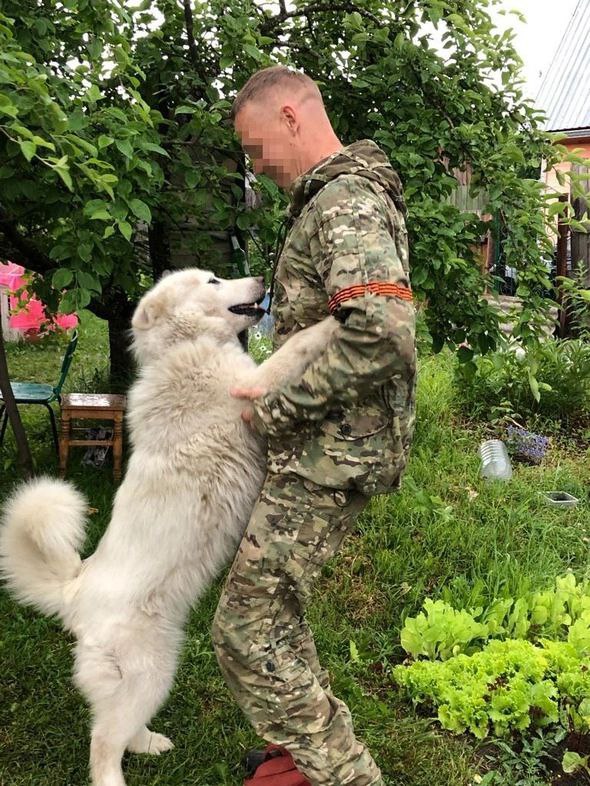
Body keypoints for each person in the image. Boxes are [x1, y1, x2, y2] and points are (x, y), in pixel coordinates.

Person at [212, 65, 416, 786]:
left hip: (332, 453)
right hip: (325, 448)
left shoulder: (344, 200)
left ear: (292, 117)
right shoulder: (334, 196)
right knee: (274, 610)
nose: (257, 165)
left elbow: (383, 333)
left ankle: (344, 774)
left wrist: (275, 409)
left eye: (257, 147)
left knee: (245, 628)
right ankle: (303, 755)